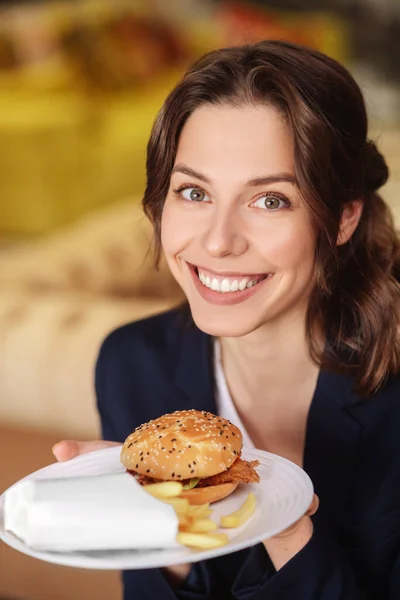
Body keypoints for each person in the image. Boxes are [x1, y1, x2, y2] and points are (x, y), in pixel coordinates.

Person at [53, 40, 400, 599]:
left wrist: (284, 529)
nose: (217, 242)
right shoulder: (131, 364)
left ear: (342, 219)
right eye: (193, 192)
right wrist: (160, 521)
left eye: (270, 201)